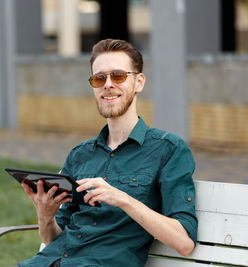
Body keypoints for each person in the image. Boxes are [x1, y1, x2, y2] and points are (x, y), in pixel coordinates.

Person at [18, 39, 197, 267]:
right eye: (99, 78)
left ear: (138, 82)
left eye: (119, 76)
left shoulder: (169, 150)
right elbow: (53, 239)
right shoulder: (80, 154)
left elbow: (184, 242)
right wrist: (45, 216)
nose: (108, 84)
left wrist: (122, 199)